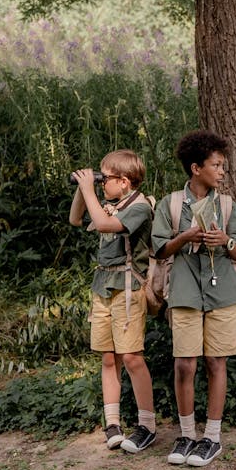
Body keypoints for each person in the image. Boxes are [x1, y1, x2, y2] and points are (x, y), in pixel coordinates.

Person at [152, 130, 236, 467]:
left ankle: (211, 437)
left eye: (223, 166)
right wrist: (187, 236)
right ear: (196, 168)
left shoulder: (226, 205)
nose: (222, 171)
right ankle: (185, 435)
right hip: (184, 289)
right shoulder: (171, 204)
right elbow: (160, 248)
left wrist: (224, 241)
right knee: (185, 363)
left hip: (222, 289)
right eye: (216, 165)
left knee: (215, 362)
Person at [69, 150, 157, 454]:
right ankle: (113, 423)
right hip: (103, 286)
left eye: (105, 179)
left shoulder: (140, 207)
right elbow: (76, 219)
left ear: (124, 181)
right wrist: (85, 187)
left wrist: (88, 189)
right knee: (108, 358)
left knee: (131, 357)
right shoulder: (110, 203)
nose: (101, 183)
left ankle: (147, 425)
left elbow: (106, 226)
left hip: (129, 289)